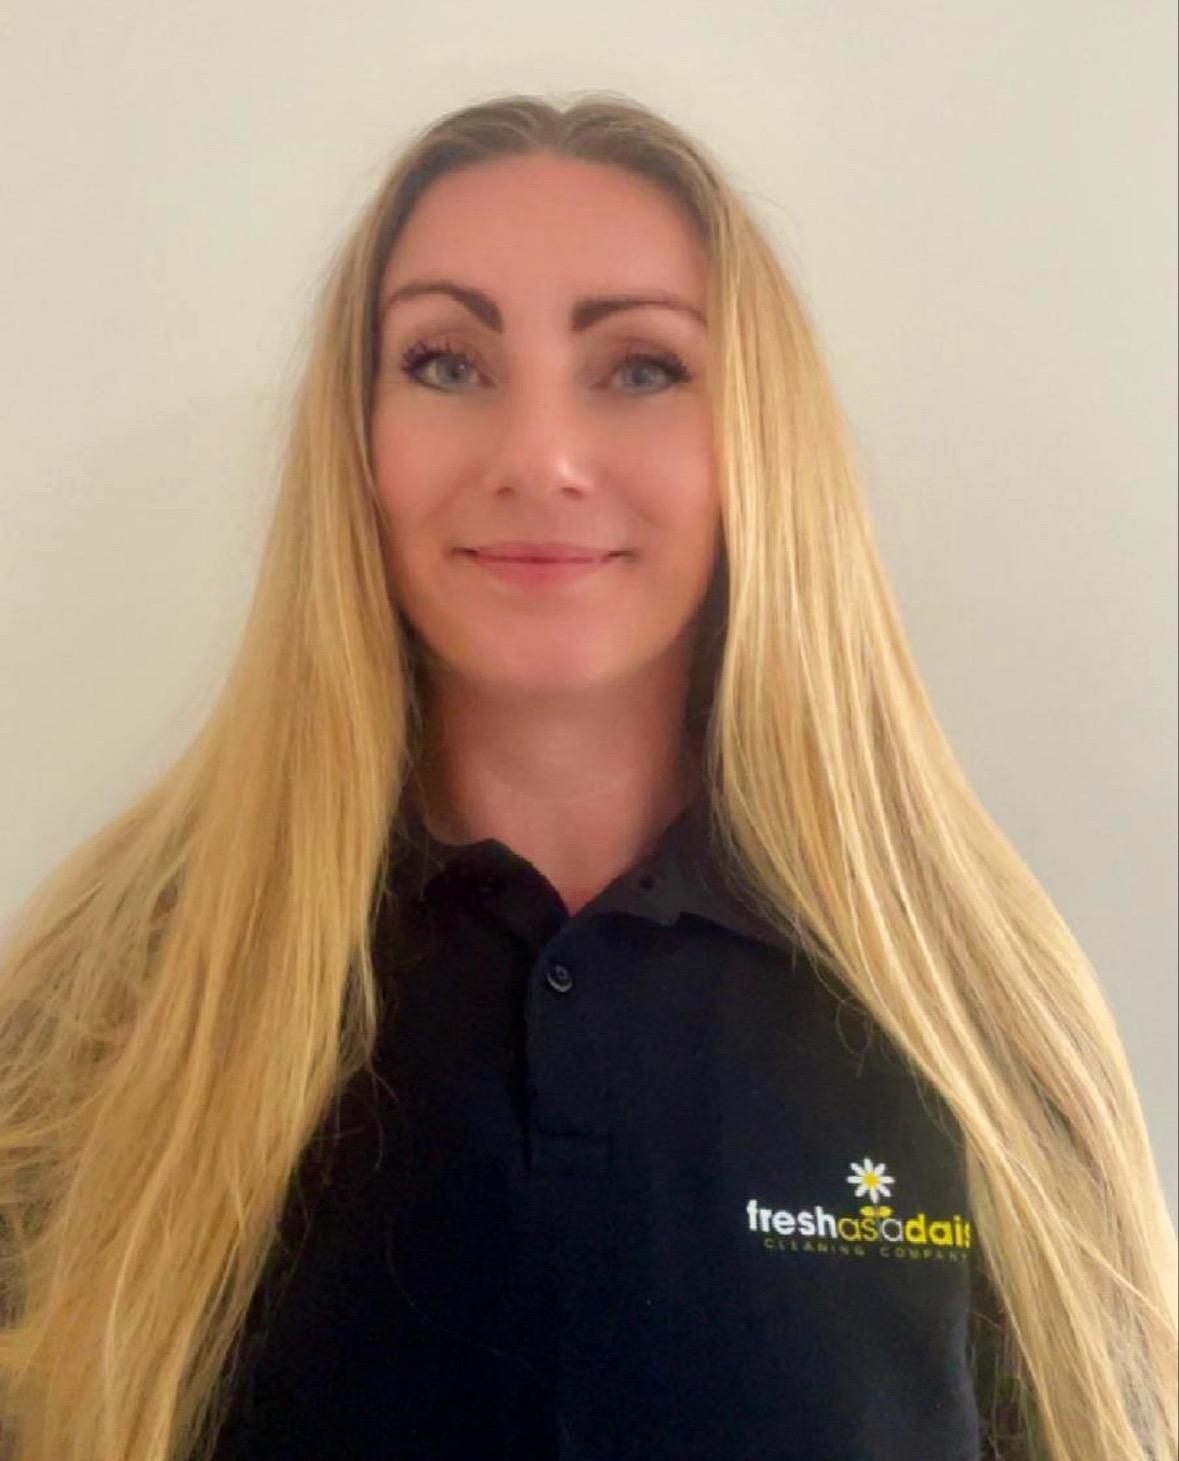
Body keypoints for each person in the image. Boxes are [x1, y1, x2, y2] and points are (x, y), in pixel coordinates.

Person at [0, 92, 1174, 1461]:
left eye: (640, 368)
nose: (539, 459)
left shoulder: (979, 1001)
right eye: (448, 362)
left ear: (757, 443)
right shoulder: (107, 1000)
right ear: (355, 439)